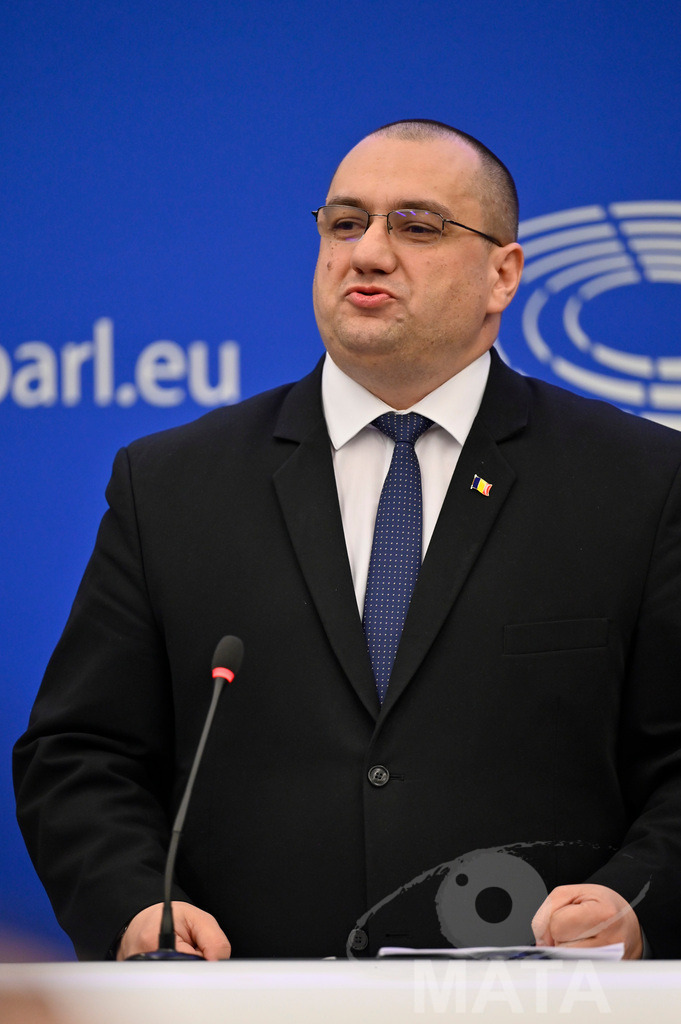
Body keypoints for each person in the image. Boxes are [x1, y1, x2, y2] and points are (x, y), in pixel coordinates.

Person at [14, 120, 681, 962]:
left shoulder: (638, 480)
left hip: (535, 1004)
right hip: (243, 1005)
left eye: (416, 225)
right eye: (344, 223)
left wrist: (636, 901)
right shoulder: (173, 484)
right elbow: (81, 752)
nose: (367, 253)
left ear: (502, 274)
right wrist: (140, 907)